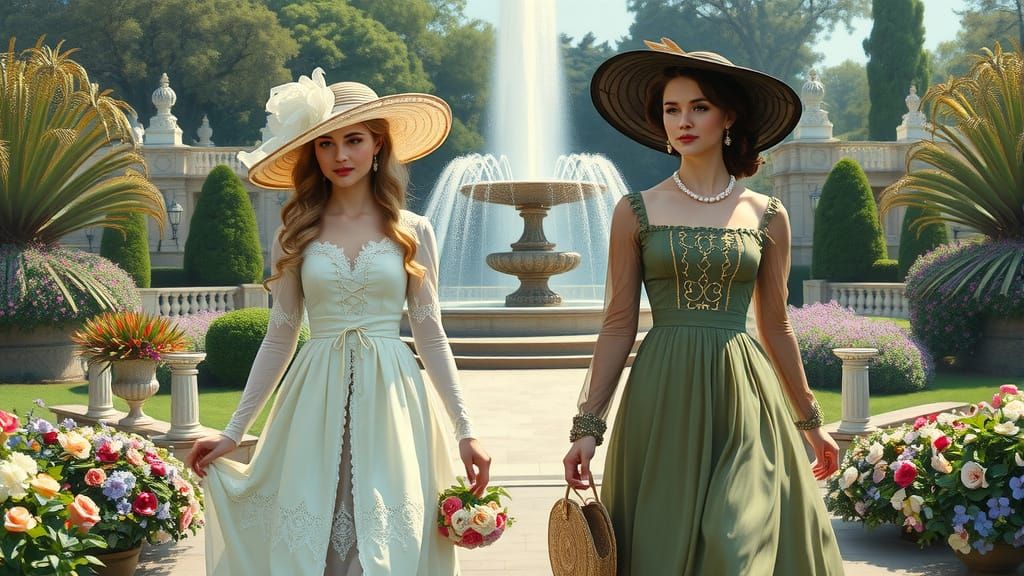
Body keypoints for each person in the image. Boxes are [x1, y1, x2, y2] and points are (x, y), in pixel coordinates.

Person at [185, 69, 491, 576]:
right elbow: (279, 336)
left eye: (354, 140)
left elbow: (430, 333)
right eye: (326, 143)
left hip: (394, 396)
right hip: (314, 396)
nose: (340, 155)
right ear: (313, 153)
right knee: (314, 536)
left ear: (378, 145)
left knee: (387, 541)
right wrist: (234, 432)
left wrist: (466, 429)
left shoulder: (413, 230)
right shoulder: (295, 233)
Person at [561, 38, 845, 575]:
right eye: (671, 109)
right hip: (661, 396)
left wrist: (810, 421)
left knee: (738, 540)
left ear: (728, 116)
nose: (683, 121)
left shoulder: (767, 213)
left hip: (743, 395)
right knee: (664, 544)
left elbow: (777, 325)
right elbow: (617, 325)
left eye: (699, 107)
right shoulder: (635, 210)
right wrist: (588, 426)